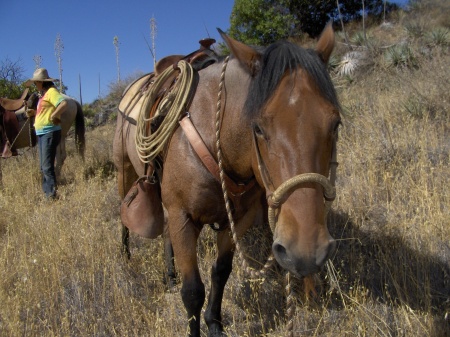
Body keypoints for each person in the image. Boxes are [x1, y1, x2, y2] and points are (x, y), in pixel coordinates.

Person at [24, 68, 67, 199]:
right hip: (43, 132)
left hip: (49, 131)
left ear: (42, 82)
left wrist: (54, 115)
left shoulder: (52, 92)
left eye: (36, 82)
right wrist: (34, 113)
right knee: (43, 165)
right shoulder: (44, 94)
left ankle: (51, 195)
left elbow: (63, 103)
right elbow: (45, 112)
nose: (35, 85)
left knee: (47, 165)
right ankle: (47, 192)